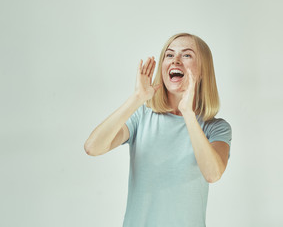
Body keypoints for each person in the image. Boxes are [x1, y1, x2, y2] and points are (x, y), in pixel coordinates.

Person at [84, 33, 232, 227]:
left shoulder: (216, 128)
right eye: (169, 55)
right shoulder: (142, 118)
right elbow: (93, 147)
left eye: (187, 55)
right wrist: (137, 98)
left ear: (203, 71)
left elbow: (212, 173)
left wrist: (187, 111)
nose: (175, 60)